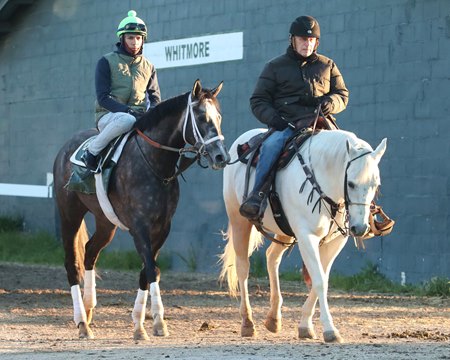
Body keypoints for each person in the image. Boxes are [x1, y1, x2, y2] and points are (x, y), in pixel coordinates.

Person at [239, 15, 349, 220]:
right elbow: (258, 100)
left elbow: (342, 94)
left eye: (311, 40)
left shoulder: (328, 65)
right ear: (293, 40)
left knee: (350, 148)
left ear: (316, 42)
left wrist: (331, 103)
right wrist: (274, 120)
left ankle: (362, 209)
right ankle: (257, 197)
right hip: (287, 124)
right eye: (302, 39)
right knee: (271, 147)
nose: (307, 44)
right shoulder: (274, 66)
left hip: (321, 123)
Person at [81, 10, 161, 171]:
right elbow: (103, 98)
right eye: (130, 38)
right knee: (127, 120)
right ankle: (91, 152)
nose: (135, 42)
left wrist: (152, 114)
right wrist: (129, 111)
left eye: (138, 38)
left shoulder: (149, 66)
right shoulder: (106, 62)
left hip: (139, 117)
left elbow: (155, 98)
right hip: (109, 116)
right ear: (122, 38)